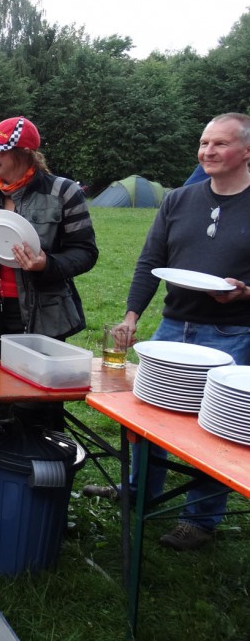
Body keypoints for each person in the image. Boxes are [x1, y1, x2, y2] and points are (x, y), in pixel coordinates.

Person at [84, 113, 250, 550]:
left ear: (246, 151)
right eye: (204, 143)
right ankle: (140, 491)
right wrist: (133, 316)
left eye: (220, 144)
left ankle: (201, 518)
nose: (208, 152)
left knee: (219, 429)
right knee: (149, 413)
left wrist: (245, 292)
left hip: (233, 332)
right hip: (174, 326)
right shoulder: (179, 199)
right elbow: (149, 261)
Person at [0, 116, 98, 431]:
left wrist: (46, 265)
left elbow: (86, 253)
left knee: (38, 404)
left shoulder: (62, 192)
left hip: (40, 316)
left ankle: (40, 473)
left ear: (24, 153)